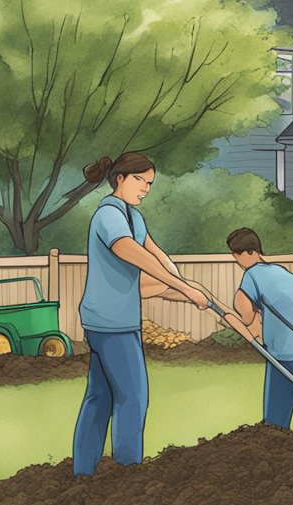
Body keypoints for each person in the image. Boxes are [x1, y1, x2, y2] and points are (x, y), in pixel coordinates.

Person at [71, 152, 209, 477]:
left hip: (112, 319)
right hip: (112, 322)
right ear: (119, 178)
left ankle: (83, 474)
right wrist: (184, 287)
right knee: (133, 398)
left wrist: (188, 292)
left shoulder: (134, 218)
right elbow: (131, 253)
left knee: (100, 397)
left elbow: (158, 260)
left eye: (149, 183)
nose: (146, 189)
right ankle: (127, 477)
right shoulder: (109, 215)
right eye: (140, 181)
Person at [221, 227, 293, 435]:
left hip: (283, 357)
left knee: (274, 427)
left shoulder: (252, 276)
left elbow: (245, 314)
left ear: (249, 253)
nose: (237, 261)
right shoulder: (281, 272)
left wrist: (233, 313)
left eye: (237, 256)